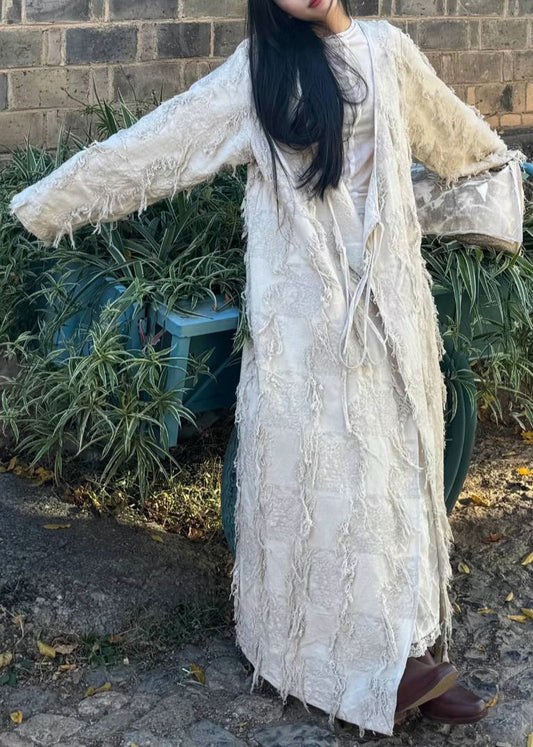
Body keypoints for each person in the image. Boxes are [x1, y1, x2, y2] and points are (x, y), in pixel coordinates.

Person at [8, 0, 525, 737]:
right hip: (304, 322)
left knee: (397, 471)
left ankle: (404, 642)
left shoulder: (388, 52)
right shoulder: (258, 73)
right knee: (324, 479)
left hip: (392, 310)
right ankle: (336, 657)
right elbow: (156, 144)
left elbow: (467, 150)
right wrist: (40, 205)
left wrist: (414, 210)